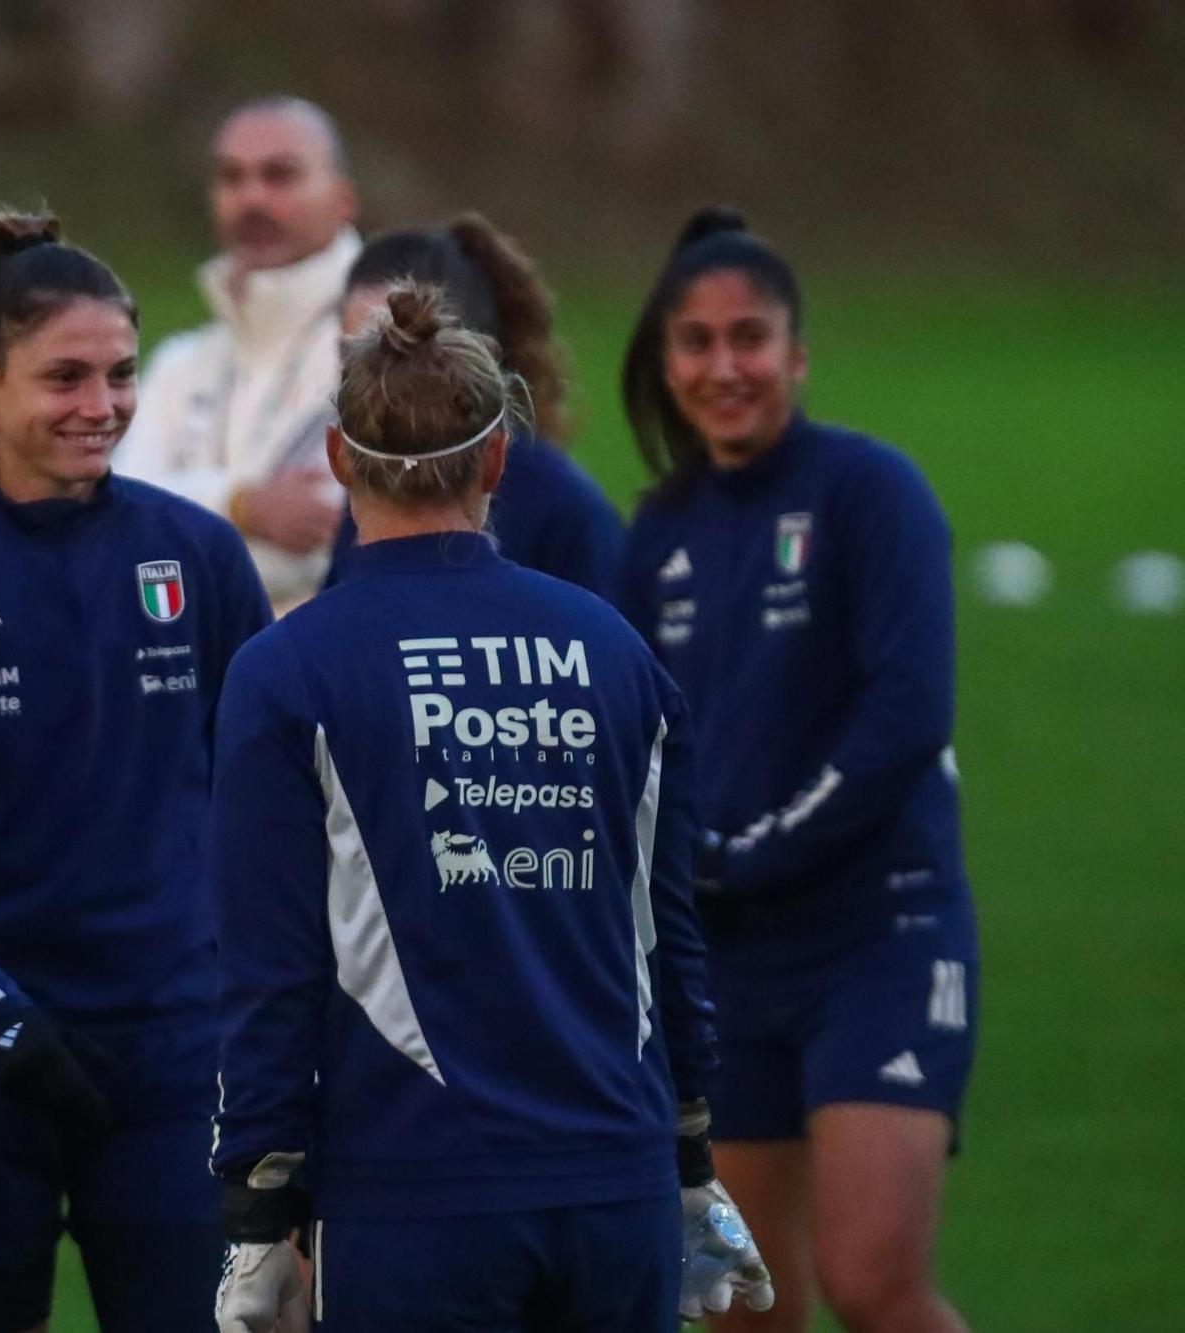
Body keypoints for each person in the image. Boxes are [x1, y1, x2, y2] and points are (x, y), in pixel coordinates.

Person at [209, 284, 770, 1332]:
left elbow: (268, 966)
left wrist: (257, 1202)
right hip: (615, 1182)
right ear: (498, 460)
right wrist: (689, 1154)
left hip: (411, 1196)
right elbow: (667, 932)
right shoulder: (614, 652)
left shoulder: (285, 672)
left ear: (338, 459)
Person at [0, 209, 273, 1333]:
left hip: (170, 1057)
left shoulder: (197, 557)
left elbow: (263, 808)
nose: (102, 406)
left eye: (121, 374)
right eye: (65, 376)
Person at [615, 209, 977, 1333]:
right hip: (727, 959)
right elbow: (635, 749)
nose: (724, 367)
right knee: (744, 1307)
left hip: (879, 933)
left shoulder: (870, 492)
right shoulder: (657, 532)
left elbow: (905, 715)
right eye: (696, 342)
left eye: (749, 338)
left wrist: (750, 851)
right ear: (667, 361)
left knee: (872, 1281)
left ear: (797, 352)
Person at [113, 95, 361, 613]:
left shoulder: (390, 350)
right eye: (232, 177)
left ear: (343, 199)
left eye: (280, 175)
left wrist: (178, 532)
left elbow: (351, 544)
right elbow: (116, 523)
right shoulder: (181, 364)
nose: (252, 198)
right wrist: (242, 505)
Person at [323, 215, 623, 596]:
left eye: (403, 357)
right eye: (358, 358)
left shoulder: (566, 510)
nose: (377, 383)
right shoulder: (372, 483)